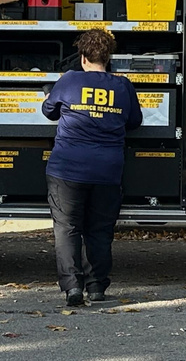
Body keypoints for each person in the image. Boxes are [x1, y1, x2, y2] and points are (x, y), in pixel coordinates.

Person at [42, 29, 142, 306]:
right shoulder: (123, 85)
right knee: (99, 230)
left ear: (83, 57)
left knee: (67, 228)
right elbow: (134, 121)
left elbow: (48, 111)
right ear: (107, 58)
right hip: (107, 171)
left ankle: (73, 288)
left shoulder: (69, 80)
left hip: (67, 170)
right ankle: (96, 288)